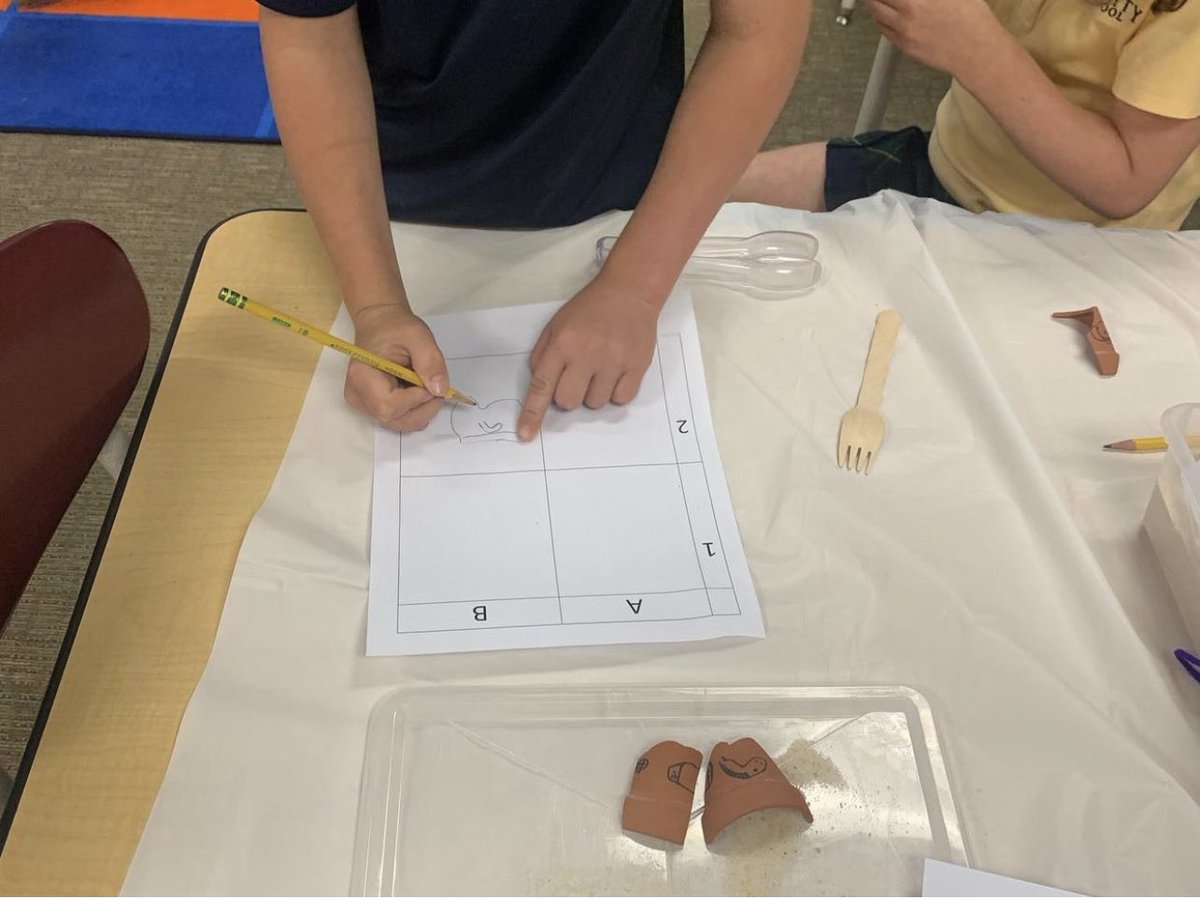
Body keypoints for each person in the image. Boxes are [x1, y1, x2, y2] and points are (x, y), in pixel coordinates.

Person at [257, 0, 809, 438]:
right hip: (389, 199)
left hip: (613, 194)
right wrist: (375, 304)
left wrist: (636, 286)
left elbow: (759, 32)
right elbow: (310, 38)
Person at [732, 0, 1200, 231]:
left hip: (1077, 249)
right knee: (711, 190)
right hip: (945, 167)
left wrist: (975, 50)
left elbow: (1125, 181)